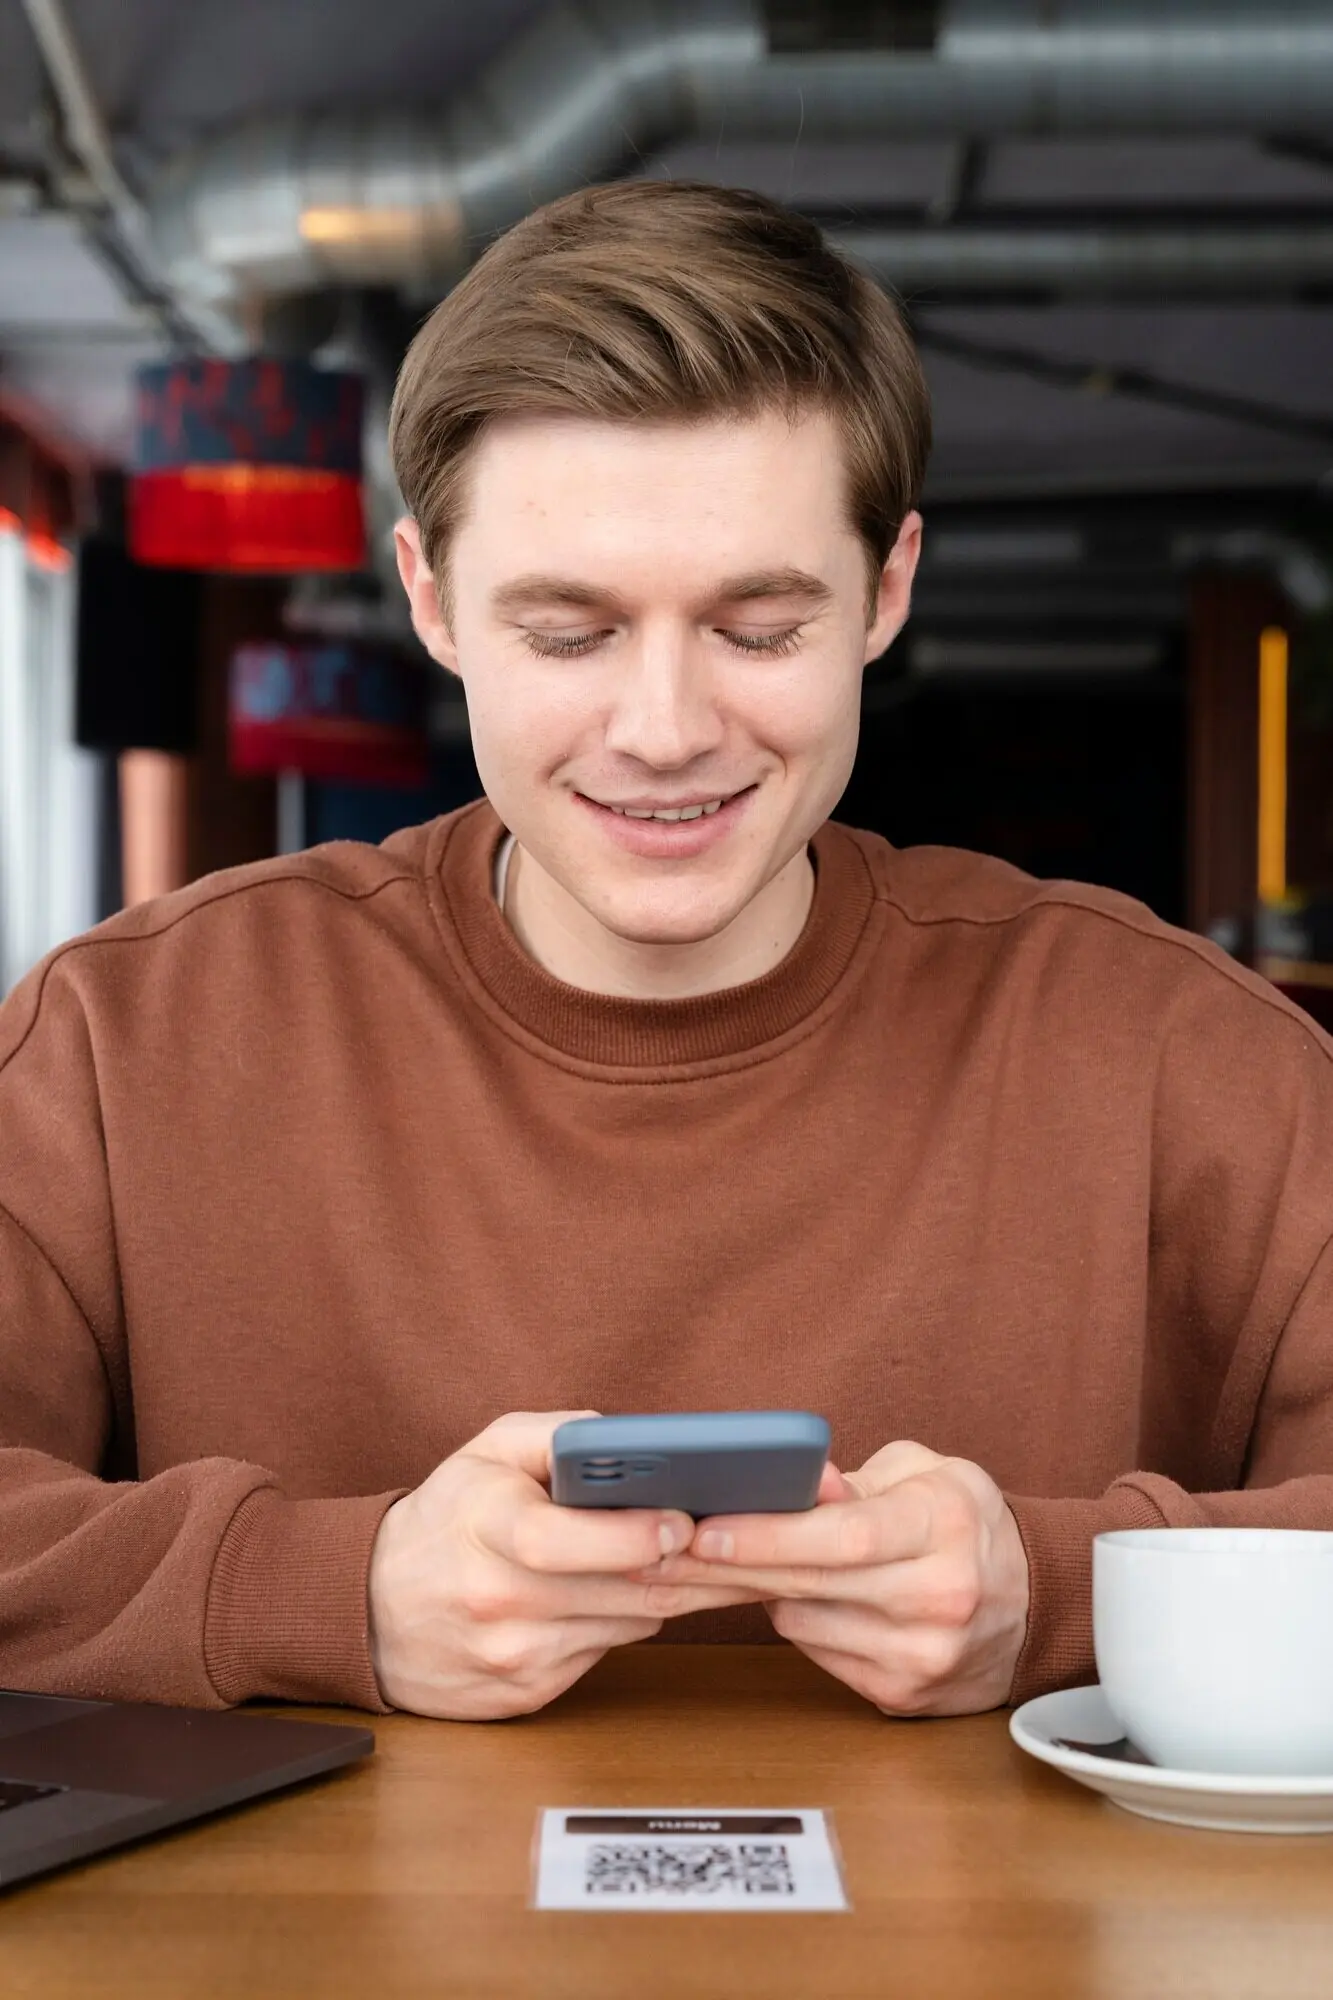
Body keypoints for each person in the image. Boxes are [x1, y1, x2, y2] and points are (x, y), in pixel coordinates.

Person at [2, 181, 1331, 1727]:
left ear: (887, 589)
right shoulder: (128, 1037)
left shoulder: (1182, 1055)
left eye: (757, 627)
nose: (663, 731)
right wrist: (325, 1593)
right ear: (429, 598)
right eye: (568, 633)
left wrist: (1062, 1590)